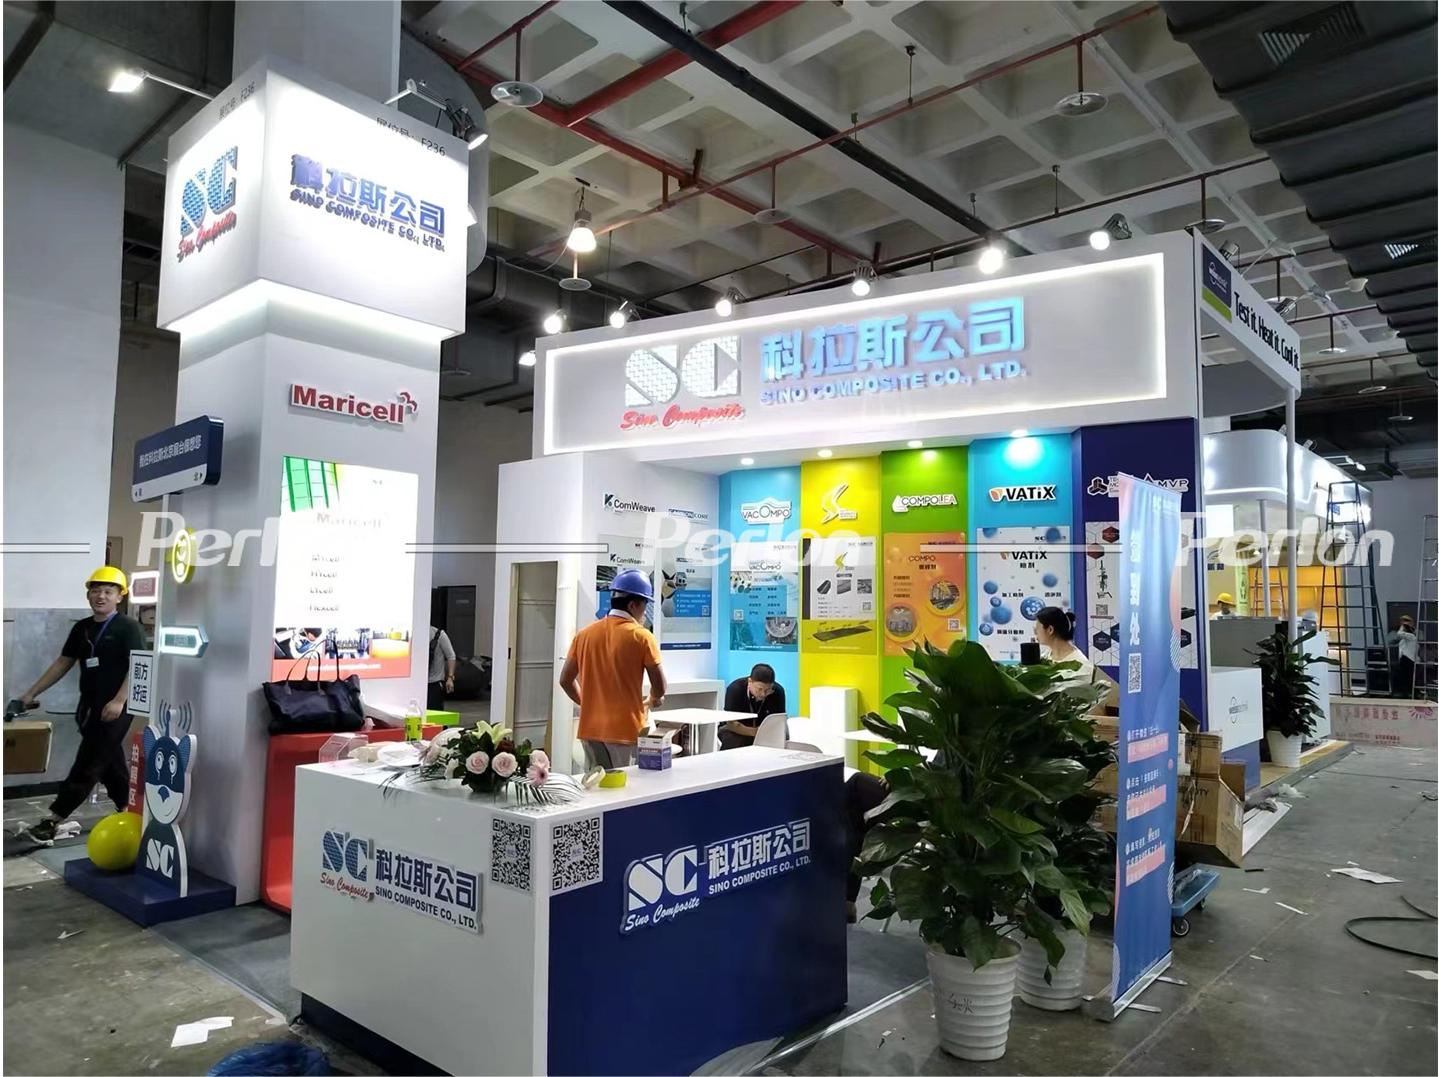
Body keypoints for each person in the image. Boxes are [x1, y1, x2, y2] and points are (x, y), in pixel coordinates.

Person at [16, 567, 145, 844]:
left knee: (90, 761)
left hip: (117, 706)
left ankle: (54, 818)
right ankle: (128, 809)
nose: (101, 596)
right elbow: (63, 662)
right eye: (96, 591)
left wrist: (120, 700)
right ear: (88, 595)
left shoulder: (128, 627)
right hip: (88, 705)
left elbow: (139, 665)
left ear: (120, 596)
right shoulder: (82, 628)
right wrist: (30, 693)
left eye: (108, 591)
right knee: (108, 760)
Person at [559, 569, 666, 769]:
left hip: (590, 729)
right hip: (625, 731)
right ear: (633, 605)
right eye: (645, 605)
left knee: (596, 784)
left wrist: (586, 703)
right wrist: (654, 698)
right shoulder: (642, 636)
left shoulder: (584, 635)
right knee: (627, 784)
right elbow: (659, 685)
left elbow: (565, 680)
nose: (645, 612)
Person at [718, 663, 788, 750]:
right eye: (759, 689)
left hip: (764, 730)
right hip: (735, 729)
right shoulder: (735, 689)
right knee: (735, 740)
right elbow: (731, 724)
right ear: (750, 682)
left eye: (767, 690)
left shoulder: (777, 691)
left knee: (783, 738)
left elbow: (779, 720)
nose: (763, 694)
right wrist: (756, 732)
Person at [1033, 606, 1093, 685]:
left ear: (1050, 630)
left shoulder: (1080, 664)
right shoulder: (1045, 656)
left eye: (1037, 629)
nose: (1035, 633)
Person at [426, 626, 457, 711]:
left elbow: (451, 656)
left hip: (434, 682)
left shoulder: (439, 634)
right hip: (416, 683)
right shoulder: (413, 633)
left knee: (434, 713)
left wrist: (450, 678)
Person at [1391, 615, 1419, 696]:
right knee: (1404, 677)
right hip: (1405, 658)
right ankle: (1405, 692)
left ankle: (1409, 692)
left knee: (1408, 677)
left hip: (1408, 658)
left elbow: (1399, 634)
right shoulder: (1406, 638)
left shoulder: (1411, 636)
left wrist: (1403, 626)